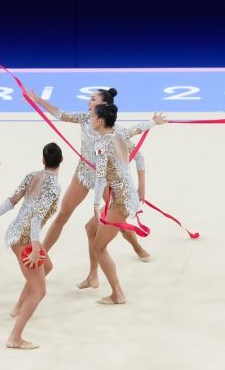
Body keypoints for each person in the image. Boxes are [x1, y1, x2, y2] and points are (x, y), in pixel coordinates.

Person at [28, 87, 166, 287]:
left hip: (106, 179)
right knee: (63, 215)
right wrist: (38, 100)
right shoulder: (86, 119)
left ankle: (137, 247)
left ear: (103, 106)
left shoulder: (115, 132)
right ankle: (42, 259)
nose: (88, 102)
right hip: (84, 173)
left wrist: (141, 186)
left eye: (92, 99)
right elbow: (60, 114)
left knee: (116, 222)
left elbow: (139, 157)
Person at [0, 143, 62, 349]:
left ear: (43, 161)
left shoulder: (32, 175)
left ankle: (17, 307)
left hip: (17, 232)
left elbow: (10, 201)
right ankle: (15, 337)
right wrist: (34, 249)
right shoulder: (55, 187)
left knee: (47, 267)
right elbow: (36, 218)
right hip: (25, 239)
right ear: (61, 161)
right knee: (39, 291)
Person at [89, 102, 146, 305]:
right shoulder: (120, 134)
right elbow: (137, 129)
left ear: (101, 120)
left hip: (120, 200)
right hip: (128, 196)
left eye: (93, 116)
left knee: (99, 248)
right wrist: (153, 122)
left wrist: (96, 204)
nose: (90, 119)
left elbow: (101, 176)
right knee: (94, 234)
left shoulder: (101, 145)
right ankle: (107, 283)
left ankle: (117, 293)